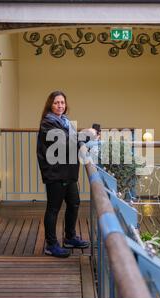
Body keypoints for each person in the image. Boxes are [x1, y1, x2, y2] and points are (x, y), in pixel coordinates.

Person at [37, 90, 97, 258]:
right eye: (56, 103)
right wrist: (85, 134)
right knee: (53, 208)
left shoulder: (65, 122)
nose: (60, 105)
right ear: (50, 105)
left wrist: (85, 136)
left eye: (62, 102)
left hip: (68, 172)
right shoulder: (47, 123)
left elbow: (73, 140)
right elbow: (65, 141)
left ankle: (70, 238)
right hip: (55, 173)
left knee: (74, 203)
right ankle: (51, 244)